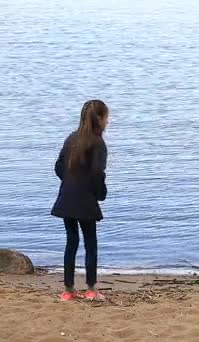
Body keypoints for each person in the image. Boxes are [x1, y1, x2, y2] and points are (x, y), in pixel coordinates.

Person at [51, 99, 109, 301]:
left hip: (67, 196)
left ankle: (68, 290)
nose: (108, 122)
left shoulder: (71, 138)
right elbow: (97, 174)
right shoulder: (98, 143)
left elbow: (58, 167)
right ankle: (91, 289)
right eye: (106, 118)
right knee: (90, 243)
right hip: (85, 199)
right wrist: (100, 194)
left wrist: (70, 182)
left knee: (72, 242)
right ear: (100, 119)